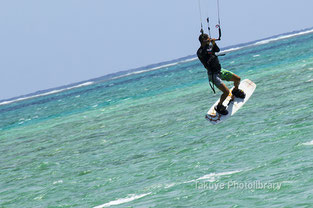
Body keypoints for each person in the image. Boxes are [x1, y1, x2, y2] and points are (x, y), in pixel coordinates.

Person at [197, 33, 245, 115]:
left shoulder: (209, 47)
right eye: (208, 38)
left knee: (237, 79)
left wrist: (213, 43)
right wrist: (208, 44)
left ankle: (235, 90)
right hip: (213, 75)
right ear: (203, 40)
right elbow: (205, 53)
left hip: (220, 71)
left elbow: (217, 50)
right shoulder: (200, 51)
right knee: (226, 92)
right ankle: (219, 106)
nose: (210, 39)